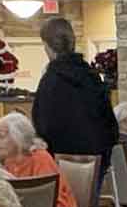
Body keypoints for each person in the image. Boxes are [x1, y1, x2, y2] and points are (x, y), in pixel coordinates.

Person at [30, 16, 117, 159]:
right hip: (97, 156)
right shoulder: (91, 75)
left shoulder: (50, 80)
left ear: (47, 46)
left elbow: (43, 125)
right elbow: (109, 121)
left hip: (62, 159)